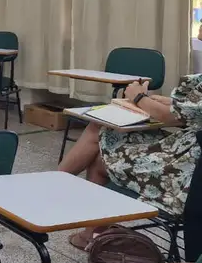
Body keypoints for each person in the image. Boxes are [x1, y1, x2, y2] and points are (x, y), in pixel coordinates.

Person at [59, 75, 202, 251]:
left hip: (188, 177)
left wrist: (138, 97)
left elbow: (169, 116)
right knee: (103, 135)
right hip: (187, 156)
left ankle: (49, 191)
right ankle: (89, 230)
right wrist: (166, 102)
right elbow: (192, 109)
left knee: (101, 150)